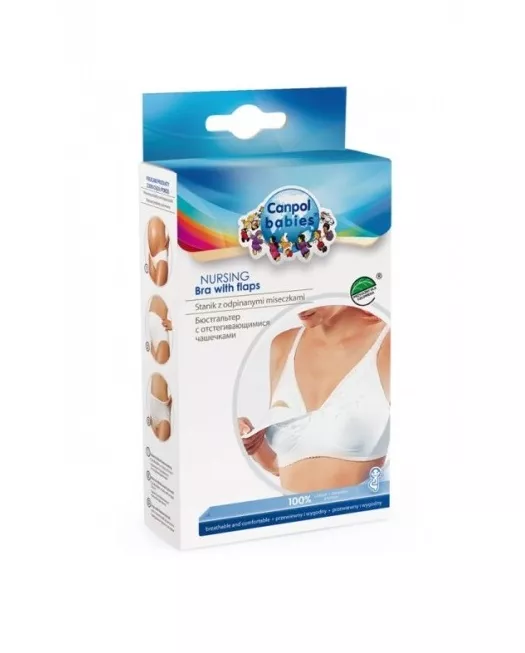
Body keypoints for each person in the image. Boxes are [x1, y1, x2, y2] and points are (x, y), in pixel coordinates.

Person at [238, 306, 390, 492]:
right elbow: (281, 465)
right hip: (290, 509)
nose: (301, 304)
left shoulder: (389, 343)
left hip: (360, 508)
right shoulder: (283, 345)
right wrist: (254, 445)